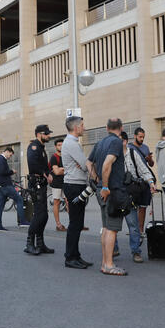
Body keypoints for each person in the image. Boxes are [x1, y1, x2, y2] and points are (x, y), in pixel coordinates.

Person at [90, 118, 130, 276]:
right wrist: (105, 186)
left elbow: (88, 163)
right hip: (112, 191)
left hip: (103, 190)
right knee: (112, 229)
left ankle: (104, 262)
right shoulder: (116, 143)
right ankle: (108, 264)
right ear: (121, 128)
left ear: (107, 128)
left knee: (106, 228)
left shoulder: (100, 143)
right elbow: (107, 164)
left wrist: (96, 179)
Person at [61, 116, 94, 269]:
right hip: (73, 186)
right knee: (75, 224)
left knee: (78, 223)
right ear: (76, 127)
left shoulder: (73, 143)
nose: (84, 128)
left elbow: (82, 163)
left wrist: (83, 163)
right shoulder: (71, 144)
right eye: (82, 125)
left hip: (77, 185)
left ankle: (76, 255)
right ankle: (70, 258)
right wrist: (86, 163)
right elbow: (84, 164)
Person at [122, 131, 154, 263]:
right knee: (111, 226)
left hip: (130, 193)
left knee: (133, 224)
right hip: (115, 192)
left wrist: (151, 182)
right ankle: (113, 249)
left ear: (125, 141)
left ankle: (136, 251)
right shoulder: (110, 155)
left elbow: (143, 169)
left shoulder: (131, 153)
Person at [24, 125, 54, 255]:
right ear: (38, 134)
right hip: (35, 184)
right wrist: (44, 173)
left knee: (44, 215)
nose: (48, 136)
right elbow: (33, 164)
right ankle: (29, 244)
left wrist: (49, 172)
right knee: (39, 214)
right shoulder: (34, 147)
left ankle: (40, 244)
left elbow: (44, 165)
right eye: (46, 133)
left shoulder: (41, 148)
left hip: (41, 184)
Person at [0, 147, 27, 230]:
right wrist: (12, 171)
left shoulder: (0, 159)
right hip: (5, 186)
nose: (10, 157)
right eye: (10, 155)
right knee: (19, 200)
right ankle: (22, 222)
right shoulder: (1, 159)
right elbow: (2, 172)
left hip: (0, 186)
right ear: (7, 152)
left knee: (1, 206)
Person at [130, 127, 155, 236]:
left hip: (144, 180)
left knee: (143, 206)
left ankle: (140, 230)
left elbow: (151, 164)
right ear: (135, 136)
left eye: (143, 137)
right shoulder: (129, 148)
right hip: (134, 181)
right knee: (133, 206)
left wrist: (149, 158)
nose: (142, 139)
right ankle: (134, 230)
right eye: (140, 137)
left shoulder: (145, 147)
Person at [49, 138, 67, 232]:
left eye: (62, 144)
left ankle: (72, 223)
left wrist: (62, 169)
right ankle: (58, 224)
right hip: (56, 183)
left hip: (66, 182)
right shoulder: (54, 157)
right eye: (59, 145)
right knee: (56, 202)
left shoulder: (66, 156)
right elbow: (56, 172)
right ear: (56, 147)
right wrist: (66, 169)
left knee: (68, 202)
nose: (61, 146)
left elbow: (72, 168)